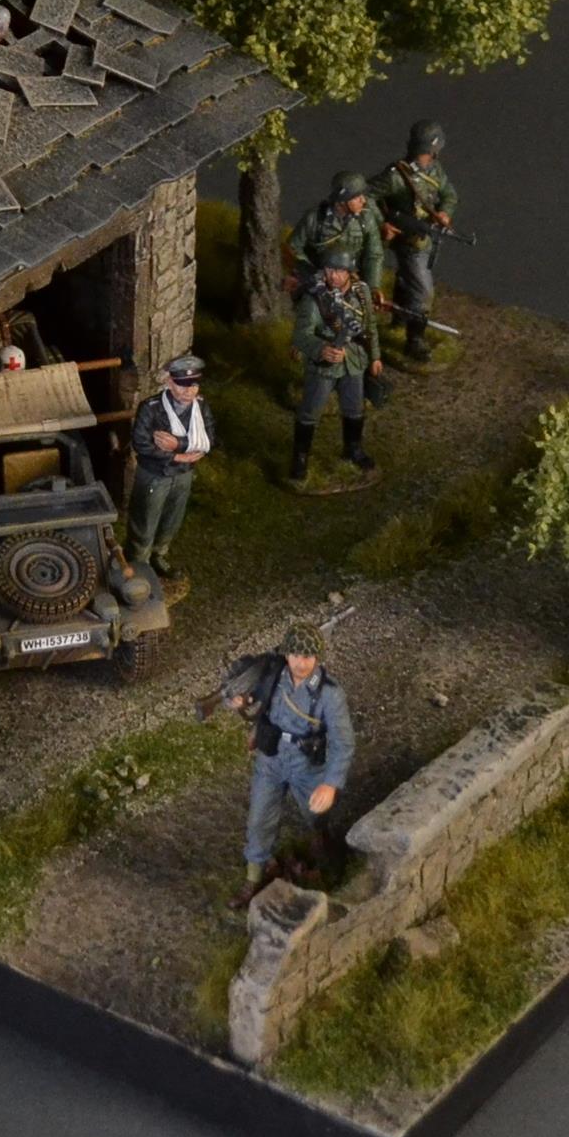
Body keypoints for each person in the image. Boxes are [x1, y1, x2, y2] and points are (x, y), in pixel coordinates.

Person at [225, 621, 356, 909]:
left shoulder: (329, 694)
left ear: (317, 657)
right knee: (259, 818)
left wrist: (330, 783)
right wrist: (240, 703)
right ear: (287, 655)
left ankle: (321, 838)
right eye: (295, 655)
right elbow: (250, 699)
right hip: (271, 758)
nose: (301, 662)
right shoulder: (273, 676)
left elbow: (343, 743)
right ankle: (253, 877)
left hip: (306, 763)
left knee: (316, 813)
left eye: (307, 656)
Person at [372, 118, 461, 361]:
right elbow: (365, 196)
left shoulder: (435, 170)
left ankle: (399, 319)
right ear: (433, 147)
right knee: (422, 291)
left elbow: (449, 195)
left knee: (406, 278)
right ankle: (415, 341)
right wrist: (382, 222)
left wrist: (444, 213)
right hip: (405, 238)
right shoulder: (396, 176)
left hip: (424, 236)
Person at [290, 251, 383, 482]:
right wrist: (321, 349)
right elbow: (301, 335)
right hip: (325, 365)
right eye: (329, 270)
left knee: (354, 408)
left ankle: (353, 449)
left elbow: (370, 326)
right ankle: (300, 457)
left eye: (339, 270)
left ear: (350, 272)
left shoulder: (361, 293)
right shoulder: (315, 298)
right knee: (310, 411)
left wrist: (375, 357)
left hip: (354, 362)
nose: (333, 275)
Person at [126, 354, 213, 580]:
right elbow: (141, 444)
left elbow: (208, 440)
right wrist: (178, 456)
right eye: (182, 384)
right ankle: (138, 563)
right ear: (169, 382)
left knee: (172, 519)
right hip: (155, 474)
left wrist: (178, 445)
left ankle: (159, 555)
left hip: (183, 476)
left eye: (194, 385)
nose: (189, 391)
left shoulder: (200, 408)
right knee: (145, 520)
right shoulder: (151, 408)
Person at [288, 171, 385, 295]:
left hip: (352, 283)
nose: (363, 200)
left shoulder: (366, 219)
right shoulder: (315, 218)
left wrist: (373, 287)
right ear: (342, 201)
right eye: (356, 197)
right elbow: (293, 248)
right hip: (319, 283)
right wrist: (312, 272)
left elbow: (374, 255)